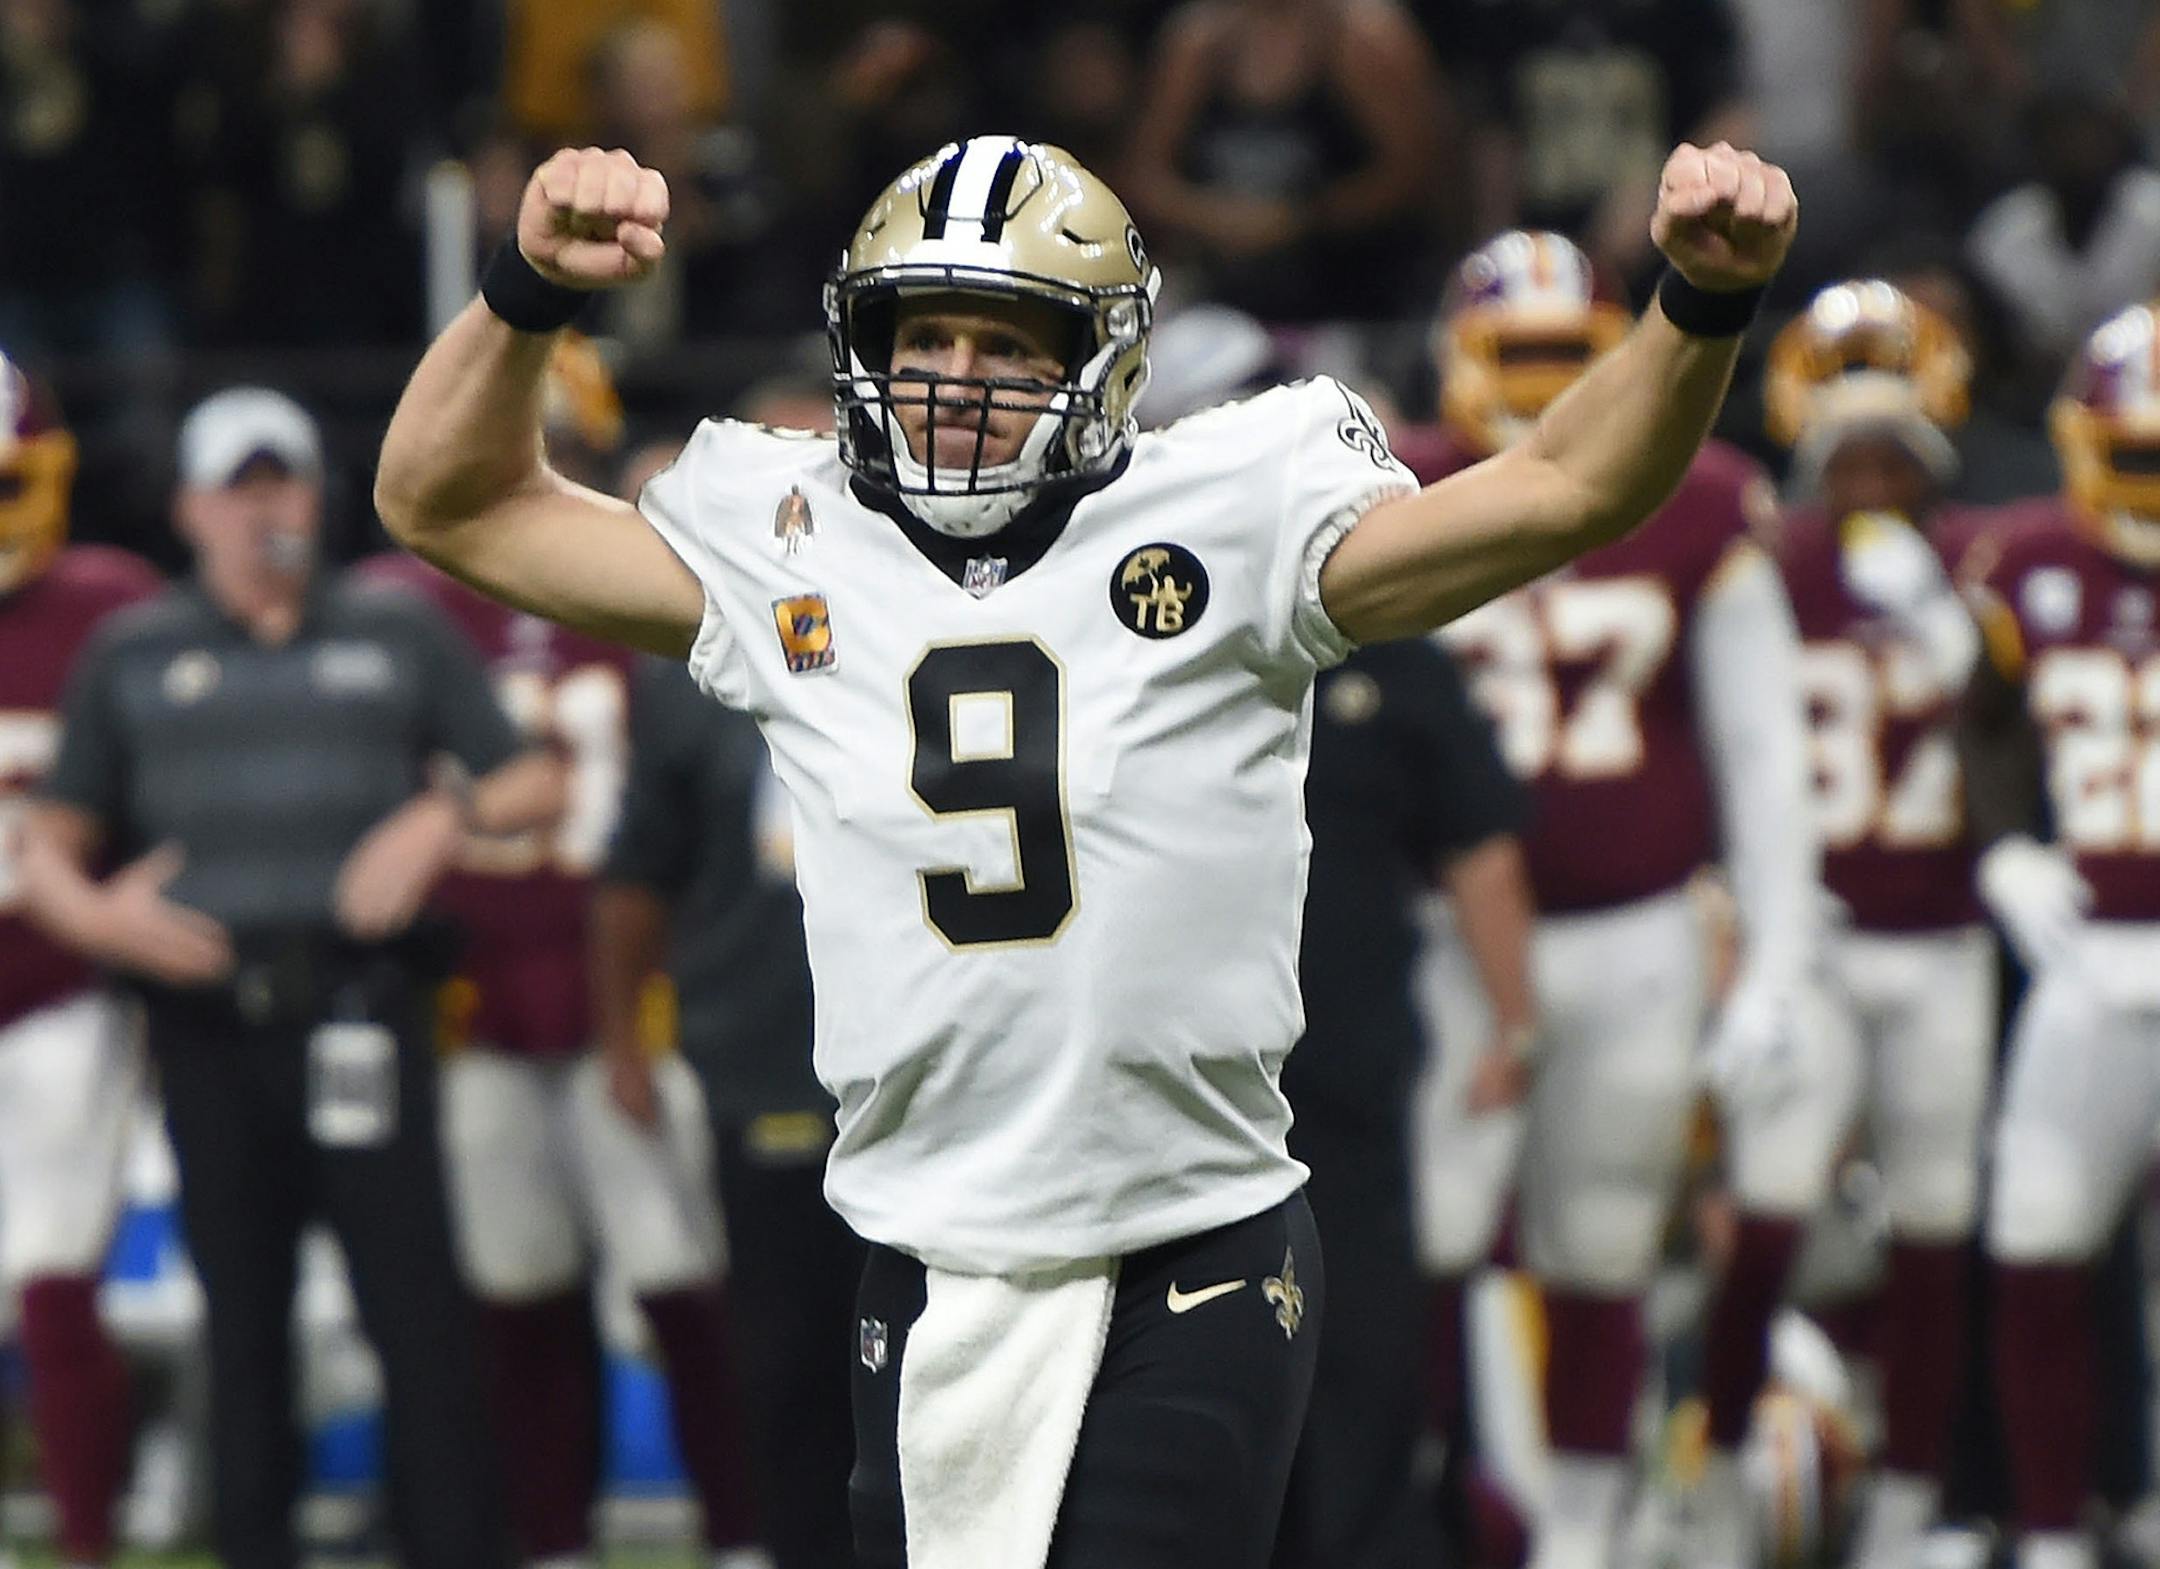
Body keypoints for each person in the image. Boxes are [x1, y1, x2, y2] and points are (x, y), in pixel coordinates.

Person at [372, 133, 1798, 1568]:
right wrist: (525, 291)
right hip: (922, 1255)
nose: (956, 376)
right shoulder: (786, 536)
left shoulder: (1234, 508)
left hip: (1183, 1242)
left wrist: (1701, 305)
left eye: (1007, 339)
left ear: (1102, 360)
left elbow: (1566, 487)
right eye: (923, 332)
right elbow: (445, 498)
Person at [17, 386, 561, 1569]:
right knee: (243, 1320)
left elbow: (532, 784)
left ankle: (456, 1547)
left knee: (415, 1314)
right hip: (210, 1022)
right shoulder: (137, 647)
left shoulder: (392, 627)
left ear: (317, 494)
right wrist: (106, 923)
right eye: (238, 485)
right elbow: (51, 852)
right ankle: (255, 1547)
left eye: (285, 480)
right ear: (189, 507)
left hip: (364, 1002)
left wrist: (440, 818)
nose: (264, 506)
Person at [1404, 228, 1826, 1569]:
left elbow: (1767, 757)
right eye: (1511, 358)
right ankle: (1437, 1510)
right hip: (1447, 937)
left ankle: (1581, 1533)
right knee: (1433, 1231)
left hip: (1635, 928)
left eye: (1562, 360)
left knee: (1598, 1244)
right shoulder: (1390, 488)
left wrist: (1772, 966)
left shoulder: (1696, 500)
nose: (1534, 391)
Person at [360, 339, 757, 1569]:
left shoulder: (658, 578)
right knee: (517, 1288)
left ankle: (744, 1533)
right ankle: (550, 1541)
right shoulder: (408, 609)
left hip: (630, 997)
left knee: (681, 1284)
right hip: (479, 993)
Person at [1760, 279, 2000, 1569]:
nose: (1866, 478)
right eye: (1845, 453)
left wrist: (1960, 633)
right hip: (1810, 937)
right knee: (1762, 1207)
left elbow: (2027, 725)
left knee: (1934, 1221)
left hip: (1944, 930)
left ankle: (1913, 1500)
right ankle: (1718, 1447)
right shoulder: (1766, 562)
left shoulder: (1987, 564)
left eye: (1889, 455)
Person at [1961, 298, 2160, 1569]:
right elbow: (1982, 717)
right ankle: (2047, 1527)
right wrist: (2005, 849)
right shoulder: (2028, 556)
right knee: (2036, 1236)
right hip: (2087, 957)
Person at [1275, 635, 1535, 1569]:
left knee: (1318, 1343)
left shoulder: (1385, 653)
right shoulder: (1381, 647)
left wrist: (1515, 1018)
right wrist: (1517, 1021)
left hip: (1290, 1054)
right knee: (1344, 1346)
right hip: (1310, 1047)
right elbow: (1482, 851)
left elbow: (1479, 845)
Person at [0, 352, 162, 1569]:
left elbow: (191, 772)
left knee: (54, 1282)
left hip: (65, 992)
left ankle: (87, 1546)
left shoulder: (106, 604)